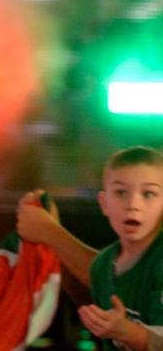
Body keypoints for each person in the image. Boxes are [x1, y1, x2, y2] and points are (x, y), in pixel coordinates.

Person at [16, 146, 163, 351]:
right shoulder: (102, 264)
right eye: (121, 192)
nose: (133, 204)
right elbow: (91, 306)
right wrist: (48, 236)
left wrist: (126, 332)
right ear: (104, 203)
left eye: (148, 194)